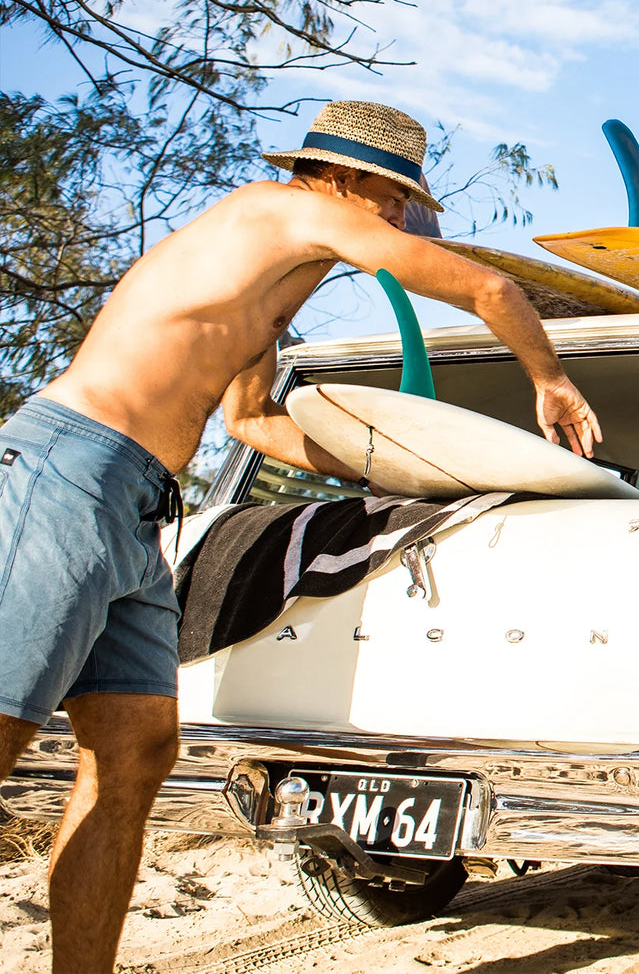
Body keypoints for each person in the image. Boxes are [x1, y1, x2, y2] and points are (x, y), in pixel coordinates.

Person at [0, 99, 601, 973]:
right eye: (394, 197)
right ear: (345, 176)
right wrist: (549, 379)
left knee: (136, 752)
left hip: (136, 506)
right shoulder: (285, 209)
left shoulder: (278, 278)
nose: (400, 219)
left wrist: (389, 467)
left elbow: (250, 420)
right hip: (67, 471)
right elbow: (486, 287)